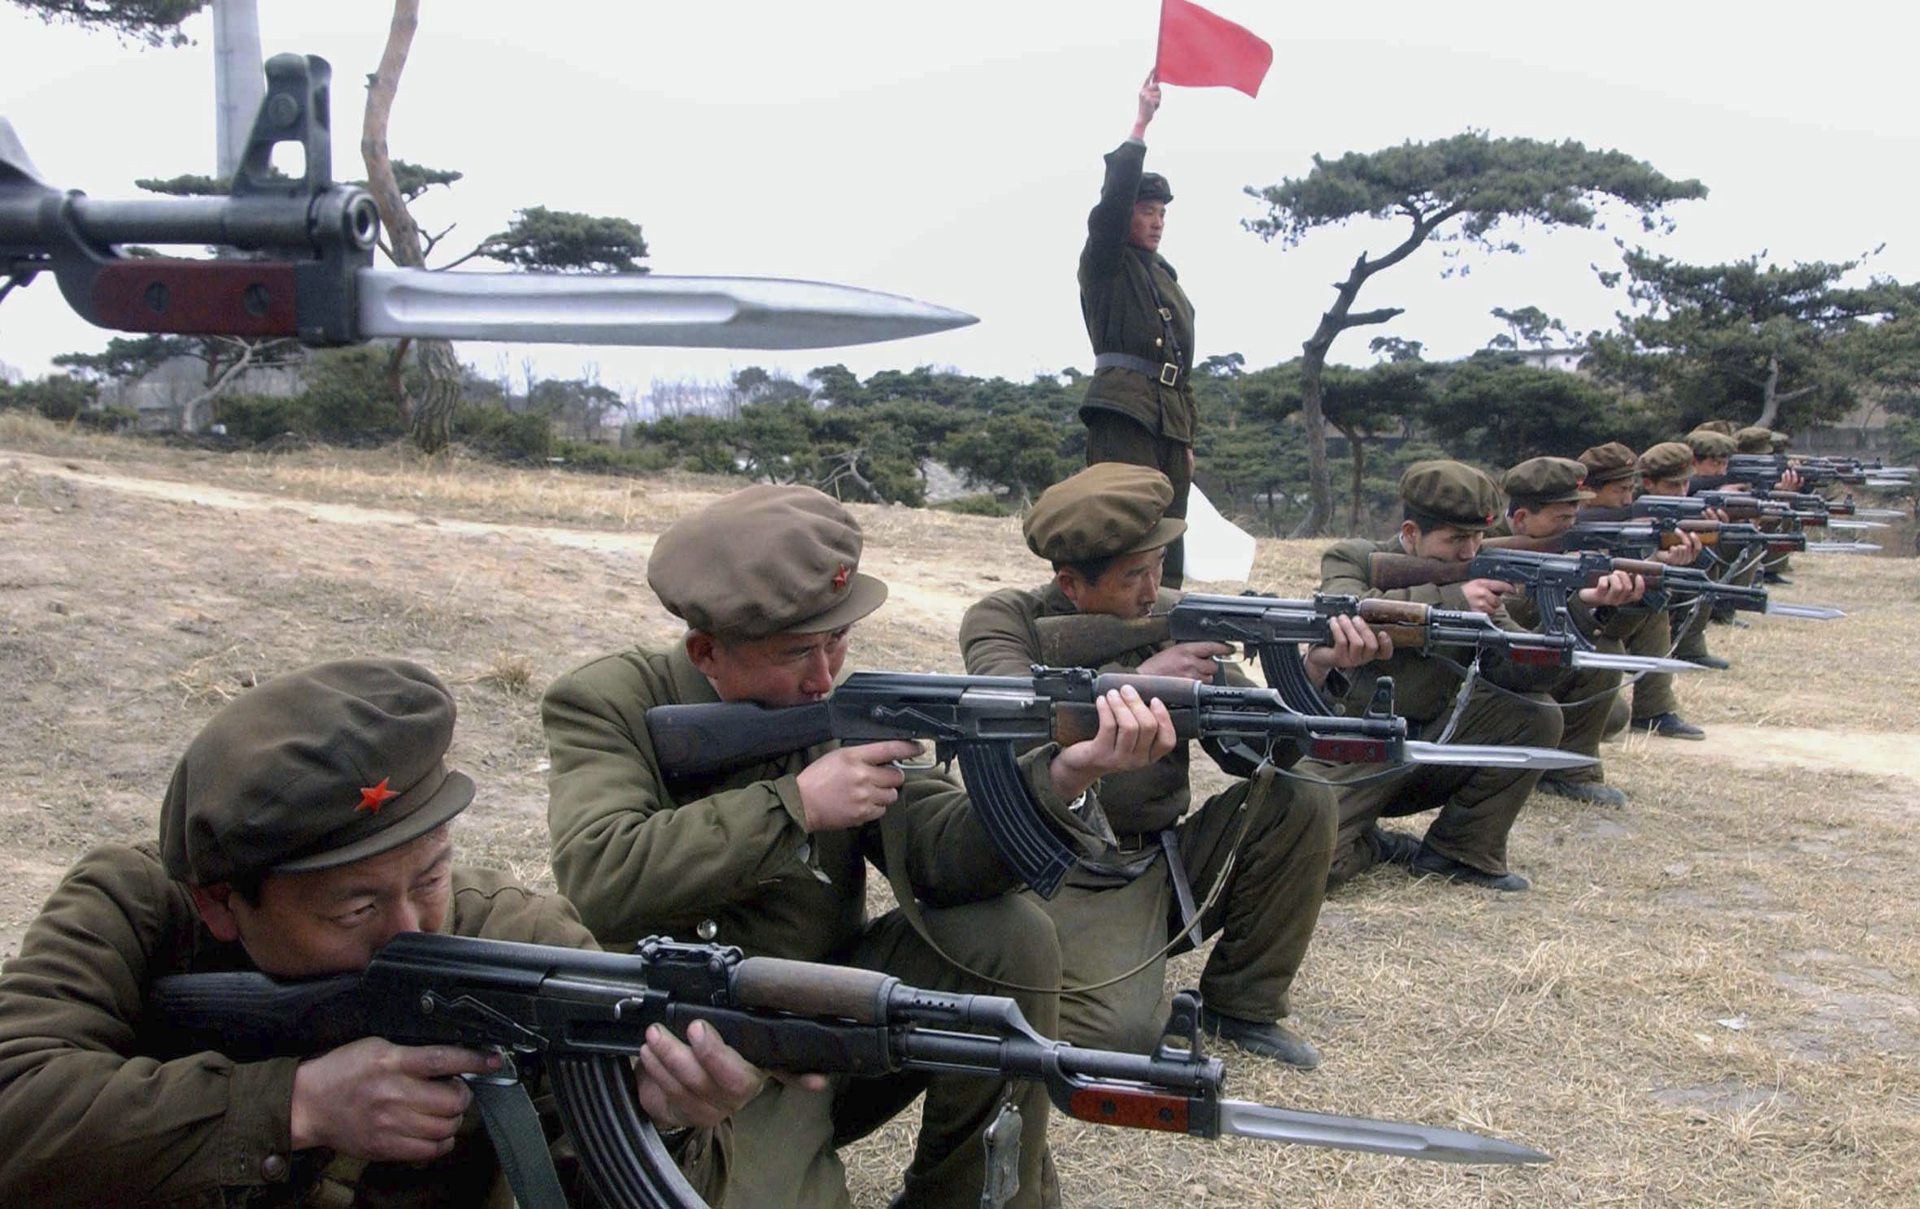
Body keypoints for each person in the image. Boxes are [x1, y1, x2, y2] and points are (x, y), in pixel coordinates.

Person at [543, 484, 1176, 1209]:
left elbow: (942, 849)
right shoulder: (608, 701)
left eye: (836, 641)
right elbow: (599, 870)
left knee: (1009, 937)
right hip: (700, 1047)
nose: (823, 676)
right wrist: (796, 805)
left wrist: (1067, 771)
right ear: (705, 650)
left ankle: (971, 1195)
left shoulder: (836, 704)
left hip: (828, 1009)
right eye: (797, 653)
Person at [0, 657, 761, 1207]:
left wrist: (664, 1121)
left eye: (429, 877)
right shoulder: (134, 907)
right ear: (219, 905)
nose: (409, 928)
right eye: (353, 909)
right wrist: (296, 1104)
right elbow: (17, 1107)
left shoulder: (517, 937)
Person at [959, 464, 1383, 1069]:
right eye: (1135, 574)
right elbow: (1013, 713)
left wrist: (1314, 674)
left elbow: (1260, 752)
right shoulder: (1007, 620)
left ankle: (1244, 1002)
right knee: (1111, 1040)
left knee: (1305, 797)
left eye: (1159, 564)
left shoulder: (1177, 615)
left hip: (1163, 861)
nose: (1152, 588)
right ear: (1071, 584)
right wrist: (1144, 679)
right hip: (1059, 868)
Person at [1304, 461, 1567, 892]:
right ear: (1410, 534)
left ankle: (1461, 850)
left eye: (1479, 538)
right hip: (1355, 747)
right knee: (1312, 867)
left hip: (1429, 744)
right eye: (1456, 539)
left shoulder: (1470, 581)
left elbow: (1519, 668)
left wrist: (1574, 613)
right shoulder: (1353, 557)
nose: (1470, 552)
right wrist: (1452, 601)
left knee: (1536, 715)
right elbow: (1341, 610)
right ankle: (1378, 846)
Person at [1078, 72, 1200, 588]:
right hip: (1124, 410)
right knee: (1126, 523)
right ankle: (1111, 618)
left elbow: (1181, 365)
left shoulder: (1164, 276)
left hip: (1168, 418)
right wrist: (1140, 123)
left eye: (1161, 214)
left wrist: (1186, 435)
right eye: (1146, 211)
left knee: (1170, 529)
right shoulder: (1106, 261)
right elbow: (1112, 203)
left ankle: (1165, 617)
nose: (1156, 221)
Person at [1497, 456, 1673, 807]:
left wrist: (1609, 601)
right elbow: (1508, 630)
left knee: (1614, 714)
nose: (1571, 527)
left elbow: (1615, 632)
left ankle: (1556, 757)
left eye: (1573, 517)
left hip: (1524, 677)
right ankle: (1568, 773)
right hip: (1489, 680)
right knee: (1599, 657)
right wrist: (1577, 600)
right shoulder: (1487, 553)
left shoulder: (1562, 549)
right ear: (1520, 519)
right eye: (1561, 519)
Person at [1577, 441, 1706, 741]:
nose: (1628, 499)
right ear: (1590, 492)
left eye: (1630, 489)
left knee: (1651, 605)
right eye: (1619, 491)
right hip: (1573, 630)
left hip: (1599, 621)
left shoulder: (1623, 523)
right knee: (1613, 718)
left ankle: (1654, 710)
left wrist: (1657, 562)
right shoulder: (1571, 531)